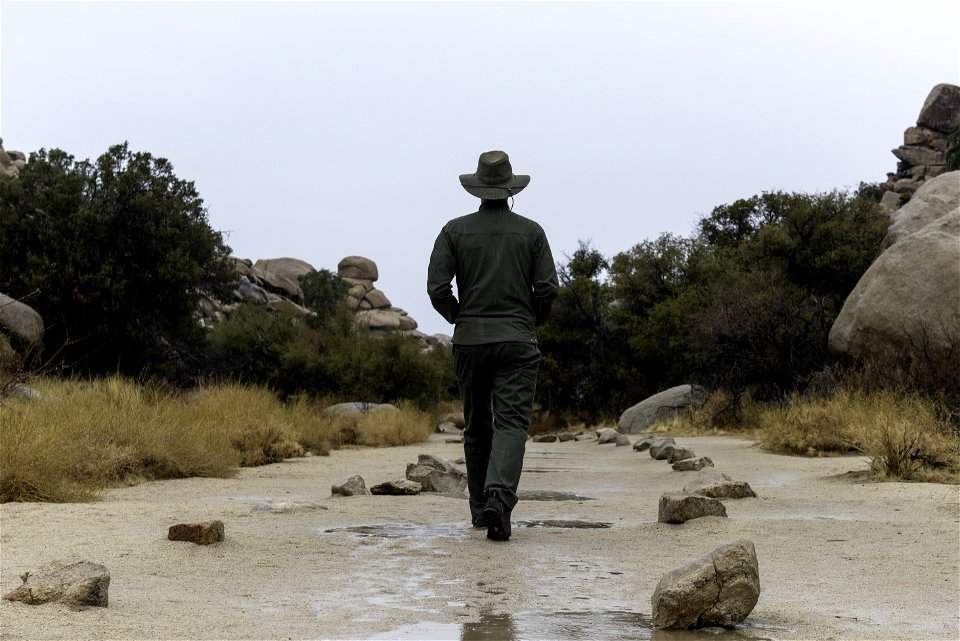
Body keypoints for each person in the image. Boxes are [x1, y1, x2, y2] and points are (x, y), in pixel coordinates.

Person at [427, 150, 559, 541]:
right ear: (510, 189)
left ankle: (480, 511)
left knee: (476, 426)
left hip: (470, 341)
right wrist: (530, 320)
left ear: (478, 190)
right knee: (512, 423)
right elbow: (548, 288)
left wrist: (459, 317)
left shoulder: (453, 230)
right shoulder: (531, 232)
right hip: (518, 340)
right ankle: (498, 498)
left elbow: (437, 288)